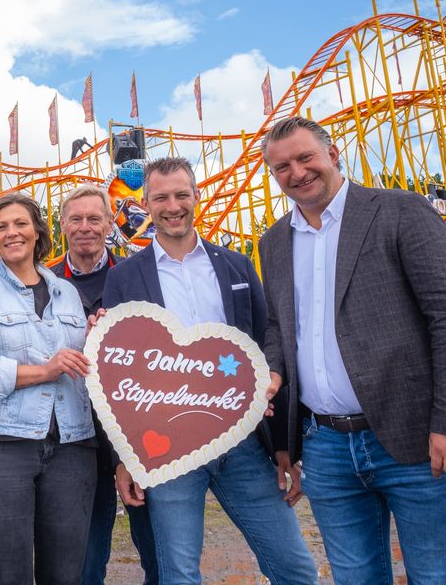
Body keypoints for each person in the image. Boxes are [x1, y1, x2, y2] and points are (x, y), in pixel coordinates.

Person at [259, 116, 446, 583]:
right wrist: (274, 371)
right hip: (325, 445)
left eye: (305, 157)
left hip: (416, 435)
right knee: (354, 577)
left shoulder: (400, 210)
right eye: (282, 166)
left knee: (437, 574)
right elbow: (279, 326)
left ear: (333, 154)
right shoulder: (274, 241)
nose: (296, 172)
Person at [102, 157, 317, 585]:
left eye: (182, 195)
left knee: (295, 567)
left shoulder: (235, 265)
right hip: (167, 449)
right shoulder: (124, 277)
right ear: (147, 204)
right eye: (161, 197)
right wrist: (123, 458)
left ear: (196, 196)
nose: (172, 206)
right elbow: (115, 376)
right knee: (179, 575)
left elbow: (267, 345)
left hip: (242, 442)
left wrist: (283, 444)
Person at [0, 192, 97, 585]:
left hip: (71, 446)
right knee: (7, 575)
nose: (11, 233)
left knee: (65, 576)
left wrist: (100, 338)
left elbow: (84, 365)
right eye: (1, 227)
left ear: (37, 232)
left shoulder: (68, 293)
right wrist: (44, 371)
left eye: (20, 224)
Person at [51, 185, 157, 585]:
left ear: (111, 224)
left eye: (95, 219)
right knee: (84, 557)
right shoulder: (44, 281)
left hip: (135, 431)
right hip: (75, 435)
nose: (85, 227)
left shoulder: (135, 277)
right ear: (63, 225)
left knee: (157, 548)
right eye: (76, 219)